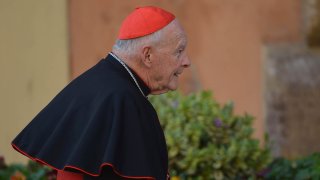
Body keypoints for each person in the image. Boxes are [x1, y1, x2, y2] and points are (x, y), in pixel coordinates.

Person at [11, 6, 190, 180]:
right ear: (148, 55)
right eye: (179, 51)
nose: (186, 62)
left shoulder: (89, 84)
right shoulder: (125, 101)